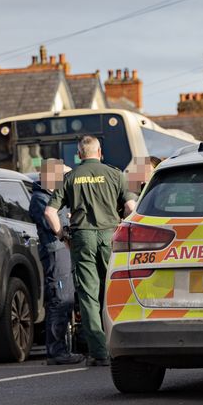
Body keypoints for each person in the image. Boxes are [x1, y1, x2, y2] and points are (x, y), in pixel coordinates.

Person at [48, 135, 137, 367]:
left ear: (79, 154)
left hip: (82, 237)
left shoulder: (69, 178)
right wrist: (121, 227)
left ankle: (100, 352)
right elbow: (131, 208)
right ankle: (123, 344)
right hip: (111, 236)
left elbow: (50, 212)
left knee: (89, 295)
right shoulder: (116, 174)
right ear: (100, 152)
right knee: (114, 289)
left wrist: (62, 235)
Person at [28, 158, 84, 365]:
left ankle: (62, 349)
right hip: (55, 253)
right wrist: (66, 225)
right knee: (60, 300)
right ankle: (57, 351)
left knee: (66, 299)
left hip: (61, 252)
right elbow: (55, 225)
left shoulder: (51, 196)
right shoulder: (40, 199)